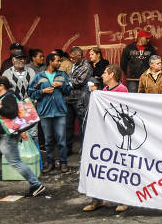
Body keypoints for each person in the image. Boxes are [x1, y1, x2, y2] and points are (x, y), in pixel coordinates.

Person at [0, 77, 46, 199]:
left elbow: (12, 113)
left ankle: (36, 185)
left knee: (15, 162)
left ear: (2, 86)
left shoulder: (9, 97)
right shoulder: (2, 98)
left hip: (6, 136)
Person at [83, 65, 128, 213]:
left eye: (104, 72)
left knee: (118, 168)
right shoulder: (103, 91)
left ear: (112, 74)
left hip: (116, 136)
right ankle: (97, 199)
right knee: (99, 167)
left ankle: (123, 200)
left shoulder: (122, 90)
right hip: (102, 135)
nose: (102, 75)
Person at [28, 52, 72, 173]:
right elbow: (31, 92)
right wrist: (42, 91)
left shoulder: (62, 75)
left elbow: (69, 91)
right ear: (50, 62)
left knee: (61, 140)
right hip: (45, 112)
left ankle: (63, 163)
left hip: (60, 112)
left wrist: (61, 85)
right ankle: (50, 163)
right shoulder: (39, 76)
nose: (59, 63)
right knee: (48, 140)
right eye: (57, 61)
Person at [1, 50, 38, 148]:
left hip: (29, 107)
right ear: (13, 60)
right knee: (16, 135)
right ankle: (19, 159)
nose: (21, 60)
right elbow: (3, 91)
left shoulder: (31, 71)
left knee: (33, 134)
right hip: (14, 108)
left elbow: (35, 88)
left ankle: (33, 158)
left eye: (23, 58)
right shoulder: (7, 73)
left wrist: (34, 101)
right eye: (19, 58)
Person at [66, 47, 92, 155]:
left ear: (80, 56)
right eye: (70, 58)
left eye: (73, 58)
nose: (71, 60)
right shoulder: (75, 65)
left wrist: (66, 82)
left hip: (80, 99)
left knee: (83, 125)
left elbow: (79, 81)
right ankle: (68, 148)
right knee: (68, 125)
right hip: (70, 98)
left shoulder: (86, 66)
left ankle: (84, 149)